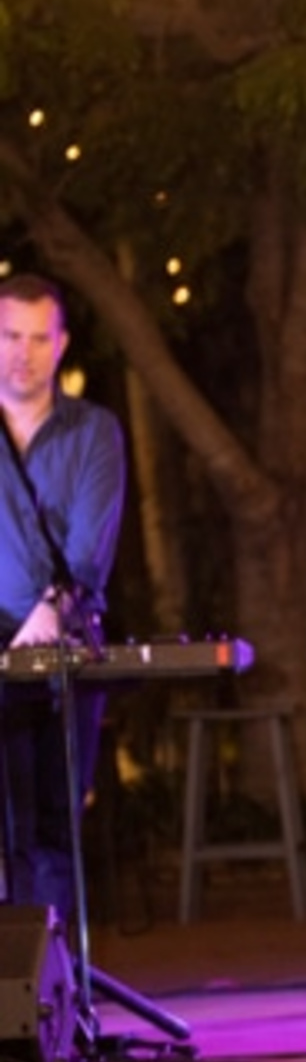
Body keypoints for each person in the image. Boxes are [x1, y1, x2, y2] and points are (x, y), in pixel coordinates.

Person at [0, 274, 126, 920]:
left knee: (51, 832)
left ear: (62, 344)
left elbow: (88, 553)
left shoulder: (94, 432)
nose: (22, 353)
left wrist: (49, 612)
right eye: (9, 336)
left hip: (63, 649)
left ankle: (51, 1003)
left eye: (37, 338)